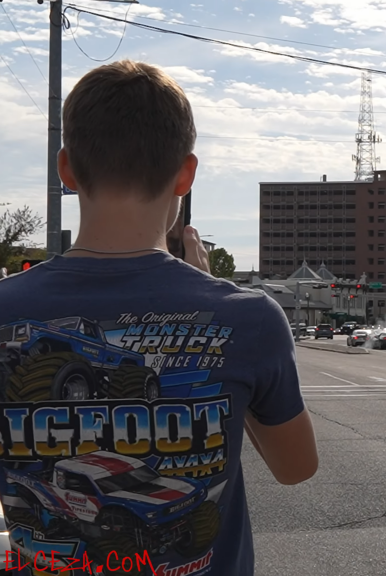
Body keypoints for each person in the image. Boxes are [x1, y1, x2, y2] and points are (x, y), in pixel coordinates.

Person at [0, 61, 318, 575]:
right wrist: (213, 295)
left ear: (66, 169)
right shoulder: (248, 318)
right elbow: (295, 468)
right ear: (185, 176)